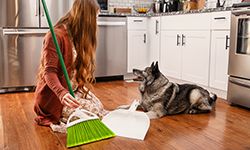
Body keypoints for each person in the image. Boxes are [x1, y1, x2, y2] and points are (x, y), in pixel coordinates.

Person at [34, 0, 108, 133]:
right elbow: (49, 73)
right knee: (93, 115)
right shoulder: (55, 36)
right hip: (55, 96)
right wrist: (62, 93)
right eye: (94, 19)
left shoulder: (76, 33)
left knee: (99, 108)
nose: (95, 24)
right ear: (85, 18)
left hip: (72, 89)